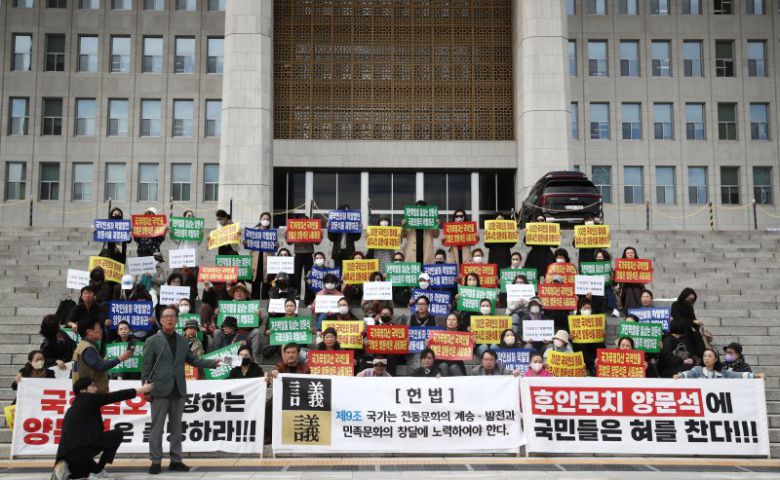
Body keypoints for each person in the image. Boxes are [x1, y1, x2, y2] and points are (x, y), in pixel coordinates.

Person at [142, 306, 221, 474]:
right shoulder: (151, 341)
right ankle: (155, 461)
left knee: (176, 427)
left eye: (172, 316)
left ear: (177, 320)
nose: (169, 319)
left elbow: (194, 360)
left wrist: (214, 362)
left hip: (178, 389)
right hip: (159, 389)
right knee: (157, 427)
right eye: (166, 316)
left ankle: (176, 460)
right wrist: (145, 390)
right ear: (161, 320)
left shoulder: (183, 341)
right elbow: (146, 367)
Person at [53, 378, 154, 480]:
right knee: (117, 434)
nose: (96, 388)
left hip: (67, 451)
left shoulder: (75, 405)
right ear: (82, 390)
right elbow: (115, 396)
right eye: (92, 386)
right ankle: (97, 471)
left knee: (80, 474)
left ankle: (68, 466)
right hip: (82, 449)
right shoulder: (88, 398)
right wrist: (141, 390)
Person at [72, 318, 132, 394]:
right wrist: (120, 358)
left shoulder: (83, 346)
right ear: (89, 332)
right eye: (99, 328)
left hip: (86, 392)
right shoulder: (87, 348)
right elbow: (100, 367)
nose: (101, 331)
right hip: (90, 394)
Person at [674, 348, 763, 379]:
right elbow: (689, 374)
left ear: (716, 359)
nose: (706, 358)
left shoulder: (723, 372)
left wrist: (756, 375)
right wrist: (680, 375)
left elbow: (738, 375)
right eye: (705, 356)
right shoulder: (698, 369)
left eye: (709, 356)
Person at [671, 287, 708, 358]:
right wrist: (692, 321)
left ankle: (702, 356)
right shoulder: (676, 305)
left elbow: (694, 321)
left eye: (692, 300)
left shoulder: (690, 307)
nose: (690, 301)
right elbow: (678, 320)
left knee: (697, 334)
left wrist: (702, 331)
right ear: (684, 296)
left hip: (688, 330)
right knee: (688, 335)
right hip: (678, 330)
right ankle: (693, 355)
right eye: (689, 299)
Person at [402, 200, 440, 265]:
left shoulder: (430, 223)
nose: (419, 211)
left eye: (422, 210)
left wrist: (436, 225)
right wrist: (403, 226)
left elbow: (436, 235)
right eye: (418, 209)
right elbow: (403, 235)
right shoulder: (409, 222)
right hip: (412, 257)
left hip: (426, 257)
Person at [523, 216, 556, 280]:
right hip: (534, 256)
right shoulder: (532, 230)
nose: (540, 222)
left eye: (542, 220)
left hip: (547, 256)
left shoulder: (549, 231)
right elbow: (527, 243)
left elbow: (555, 245)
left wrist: (555, 235)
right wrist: (527, 234)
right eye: (538, 220)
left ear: (545, 221)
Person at [616, 247, 644, 313]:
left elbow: (644, 280)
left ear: (635, 254)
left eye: (632, 253)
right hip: (625, 289)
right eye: (628, 253)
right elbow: (617, 281)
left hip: (638, 287)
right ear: (625, 255)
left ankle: (640, 311)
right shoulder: (620, 265)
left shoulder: (641, 265)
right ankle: (629, 313)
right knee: (629, 291)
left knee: (637, 290)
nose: (630, 254)